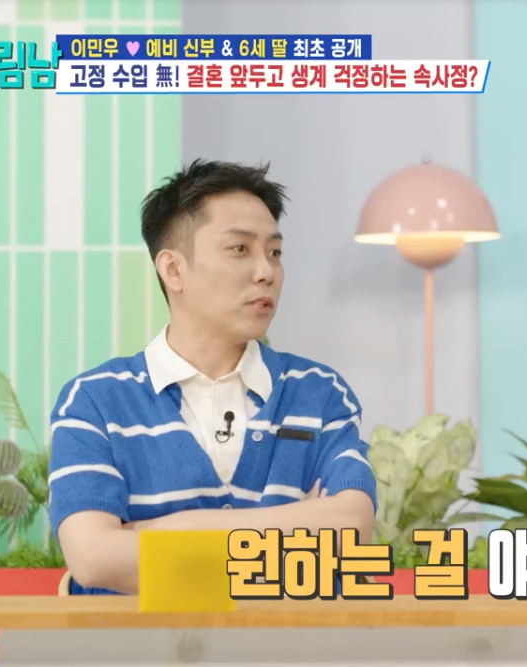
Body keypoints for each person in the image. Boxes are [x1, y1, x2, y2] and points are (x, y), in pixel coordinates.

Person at [48, 159, 377, 595]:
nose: (266, 272)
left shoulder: (319, 392)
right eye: (240, 249)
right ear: (173, 270)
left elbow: (349, 531)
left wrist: (154, 532)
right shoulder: (94, 401)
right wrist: (295, 528)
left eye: (275, 253)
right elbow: (93, 559)